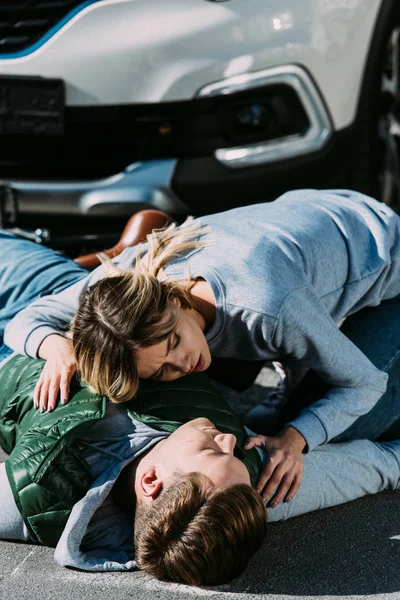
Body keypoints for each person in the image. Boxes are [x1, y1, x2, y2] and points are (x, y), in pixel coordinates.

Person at [6, 189, 400, 505]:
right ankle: (290, 365)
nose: (183, 362)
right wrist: (56, 347)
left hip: (382, 249)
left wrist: (296, 439)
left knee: (298, 436)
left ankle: (296, 371)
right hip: (300, 221)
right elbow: (27, 319)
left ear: (173, 300)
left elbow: (365, 383)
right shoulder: (122, 287)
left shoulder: (267, 305)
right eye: (160, 369)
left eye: (173, 340)